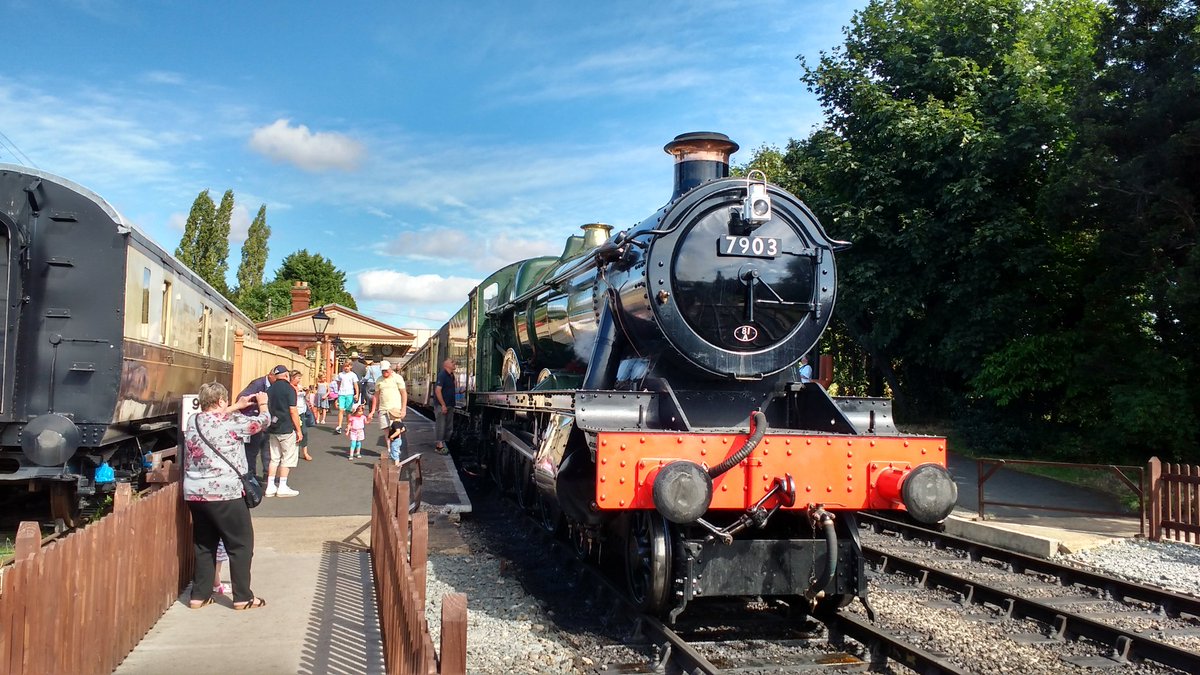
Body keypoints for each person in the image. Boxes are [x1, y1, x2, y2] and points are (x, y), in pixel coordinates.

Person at [182, 381, 268, 610]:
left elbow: (213, 418)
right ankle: (243, 597)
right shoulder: (232, 422)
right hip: (225, 492)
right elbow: (262, 423)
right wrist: (263, 404)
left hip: (195, 493)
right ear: (221, 401)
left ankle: (199, 596)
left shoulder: (194, 421)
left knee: (204, 543)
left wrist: (235, 406)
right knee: (240, 544)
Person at [236, 365, 289, 478]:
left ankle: (267, 475)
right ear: (271, 376)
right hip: (255, 419)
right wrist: (257, 403)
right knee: (252, 451)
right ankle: (251, 476)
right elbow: (242, 397)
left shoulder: (276, 386)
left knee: (267, 450)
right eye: (277, 378)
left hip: (267, 421)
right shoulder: (257, 384)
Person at [265, 364, 304, 497]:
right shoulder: (290, 389)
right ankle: (282, 485)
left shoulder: (270, 389)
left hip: (272, 426)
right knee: (287, 457)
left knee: (274, 457)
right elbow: (293, 410)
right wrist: (299, 429)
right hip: (286, 427)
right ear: (286, 375)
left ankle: (270, 486)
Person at [368, 360, 407, 452]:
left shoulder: (398, 378)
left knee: (396, 428)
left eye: (386, 370)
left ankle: (396, 449)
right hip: (383, 408)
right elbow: (376, 396)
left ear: (390, 368)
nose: (385, 372)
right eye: (383, 371)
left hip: (395, 408)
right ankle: (389, 449)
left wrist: (403, 408)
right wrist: (373, 411)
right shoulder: (379, 380)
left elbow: (403, 393)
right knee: (386, 429)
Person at [433, 358, 456, 455]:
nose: (455, 363)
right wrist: (443, 405)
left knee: (448, 426)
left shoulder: (451, 376)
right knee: (441, 425)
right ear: (446, 365)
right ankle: (439, 446)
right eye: (452, 362)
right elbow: (438, 390)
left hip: (450, 404)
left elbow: (448, 389)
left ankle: (443, 443)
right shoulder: (442, 375)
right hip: (443, 405)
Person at [291, 371, 313, 462]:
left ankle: (305, 452)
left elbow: (305, 397)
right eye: (298, 378)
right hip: (293, 412)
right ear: (292, 378)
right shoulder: (289, 387)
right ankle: (292, 453)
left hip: (301, 411)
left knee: (304, 432)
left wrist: (307, 391)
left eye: (300, 378)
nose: (299, 380)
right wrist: (297, 391)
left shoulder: (300, 387)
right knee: (293, 433)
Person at [333, 360, 359, 434]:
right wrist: (338, 393)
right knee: (341, 410)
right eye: (345, 366)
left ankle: (348, 425)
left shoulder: (353, 375)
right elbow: (338, 383)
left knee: (348, 411)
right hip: (342, 393)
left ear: (350, 366)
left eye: (347, 366)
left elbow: (355, 385)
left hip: (349, 394)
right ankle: (339, 425)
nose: (346, 368)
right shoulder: (340, 374)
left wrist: (357, 394)